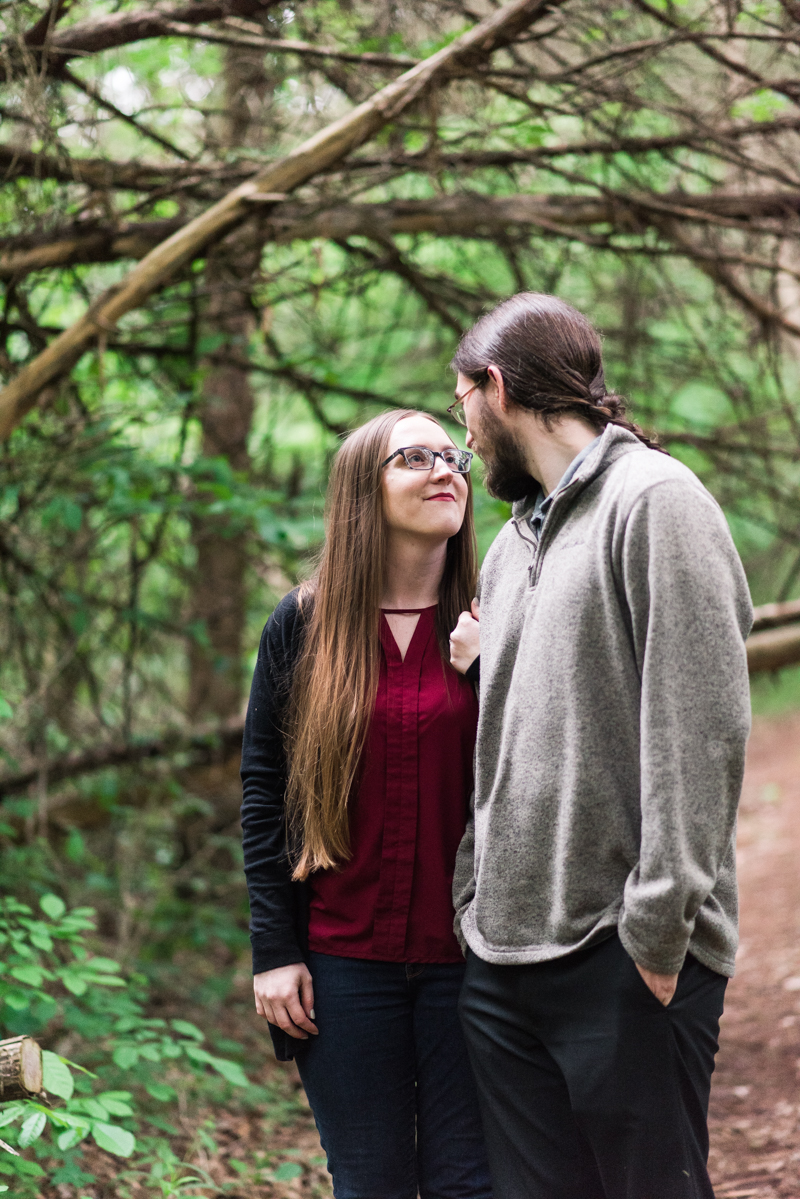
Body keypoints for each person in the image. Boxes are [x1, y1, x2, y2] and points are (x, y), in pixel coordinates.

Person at [446, 293, 752, 1199]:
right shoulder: (508, 547)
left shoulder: (656, 501)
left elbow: (700, 726)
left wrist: (655, 935)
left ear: (495, 387)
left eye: (460, 402)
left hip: (624, 954)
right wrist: (474, 896)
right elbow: (536, 723)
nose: (464, 436)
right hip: (501, 959)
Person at [240, 410, 492, 1199]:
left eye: (452, 455)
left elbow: (547, 773)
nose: (443, 468)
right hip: (343, 968)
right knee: (372, 1183)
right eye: (413, 457)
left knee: (471, 1184)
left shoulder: (498, 619)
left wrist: (495, 669)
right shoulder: (305, 625)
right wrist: (274, 950)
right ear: (361, 490)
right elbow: (264, 794)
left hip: (478, 961)